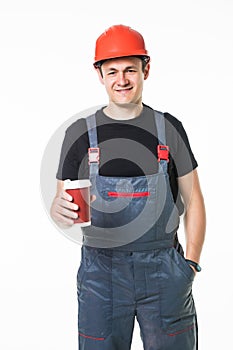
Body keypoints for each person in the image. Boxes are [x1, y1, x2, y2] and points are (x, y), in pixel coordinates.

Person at [50, 24, 206, 350]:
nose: (122, 80)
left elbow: (194, 202)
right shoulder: (79, 133)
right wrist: (58, 210)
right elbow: (61, 204)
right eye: (113, 71)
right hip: (101, 276)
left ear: (146, 70)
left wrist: (189, 265)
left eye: (130, 70)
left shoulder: (169, 128)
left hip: (163, 271)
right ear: (100, 75)